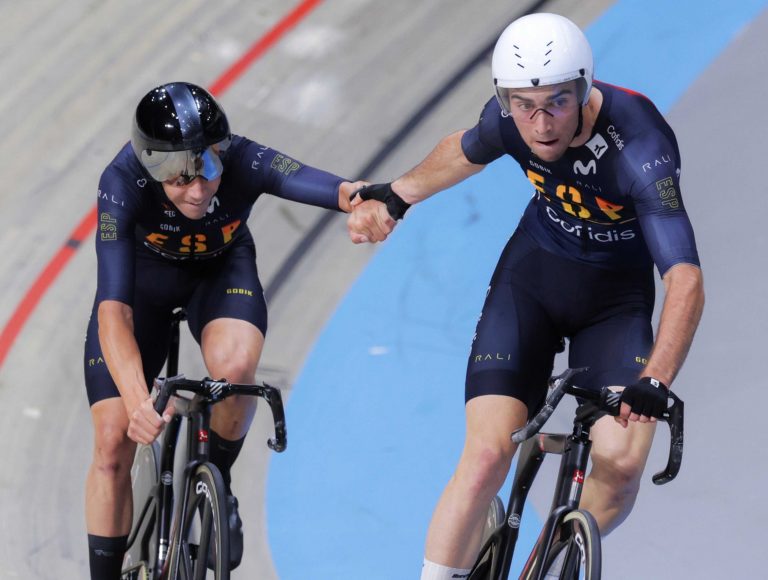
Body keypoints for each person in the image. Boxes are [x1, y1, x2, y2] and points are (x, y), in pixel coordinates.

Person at [347, 12, 704, 579]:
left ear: (584, 89)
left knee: (621, 464)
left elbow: (684, 277)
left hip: (614, 306)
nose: (540, 124)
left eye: (557, 103)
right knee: (487, 456)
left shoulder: (640, 147)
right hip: (533, 282)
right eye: (524, 106)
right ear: (505, 99)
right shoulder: (508, 120)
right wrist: (396, 195)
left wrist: (657, 379)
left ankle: (543, 560)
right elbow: (463, 150)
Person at [84, 81, 364, 580]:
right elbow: (114, 313)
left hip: (219, 274)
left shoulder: (243, 158)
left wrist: (364, 198)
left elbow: (320, 183)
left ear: (222, 151)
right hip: (143, 290)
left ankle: (217, 478)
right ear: (151, 166)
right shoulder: (121, 182)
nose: (198, 191)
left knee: (235, 372)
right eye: (179, 178)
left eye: (208, 169)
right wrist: (137, 402)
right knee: (111, 445)